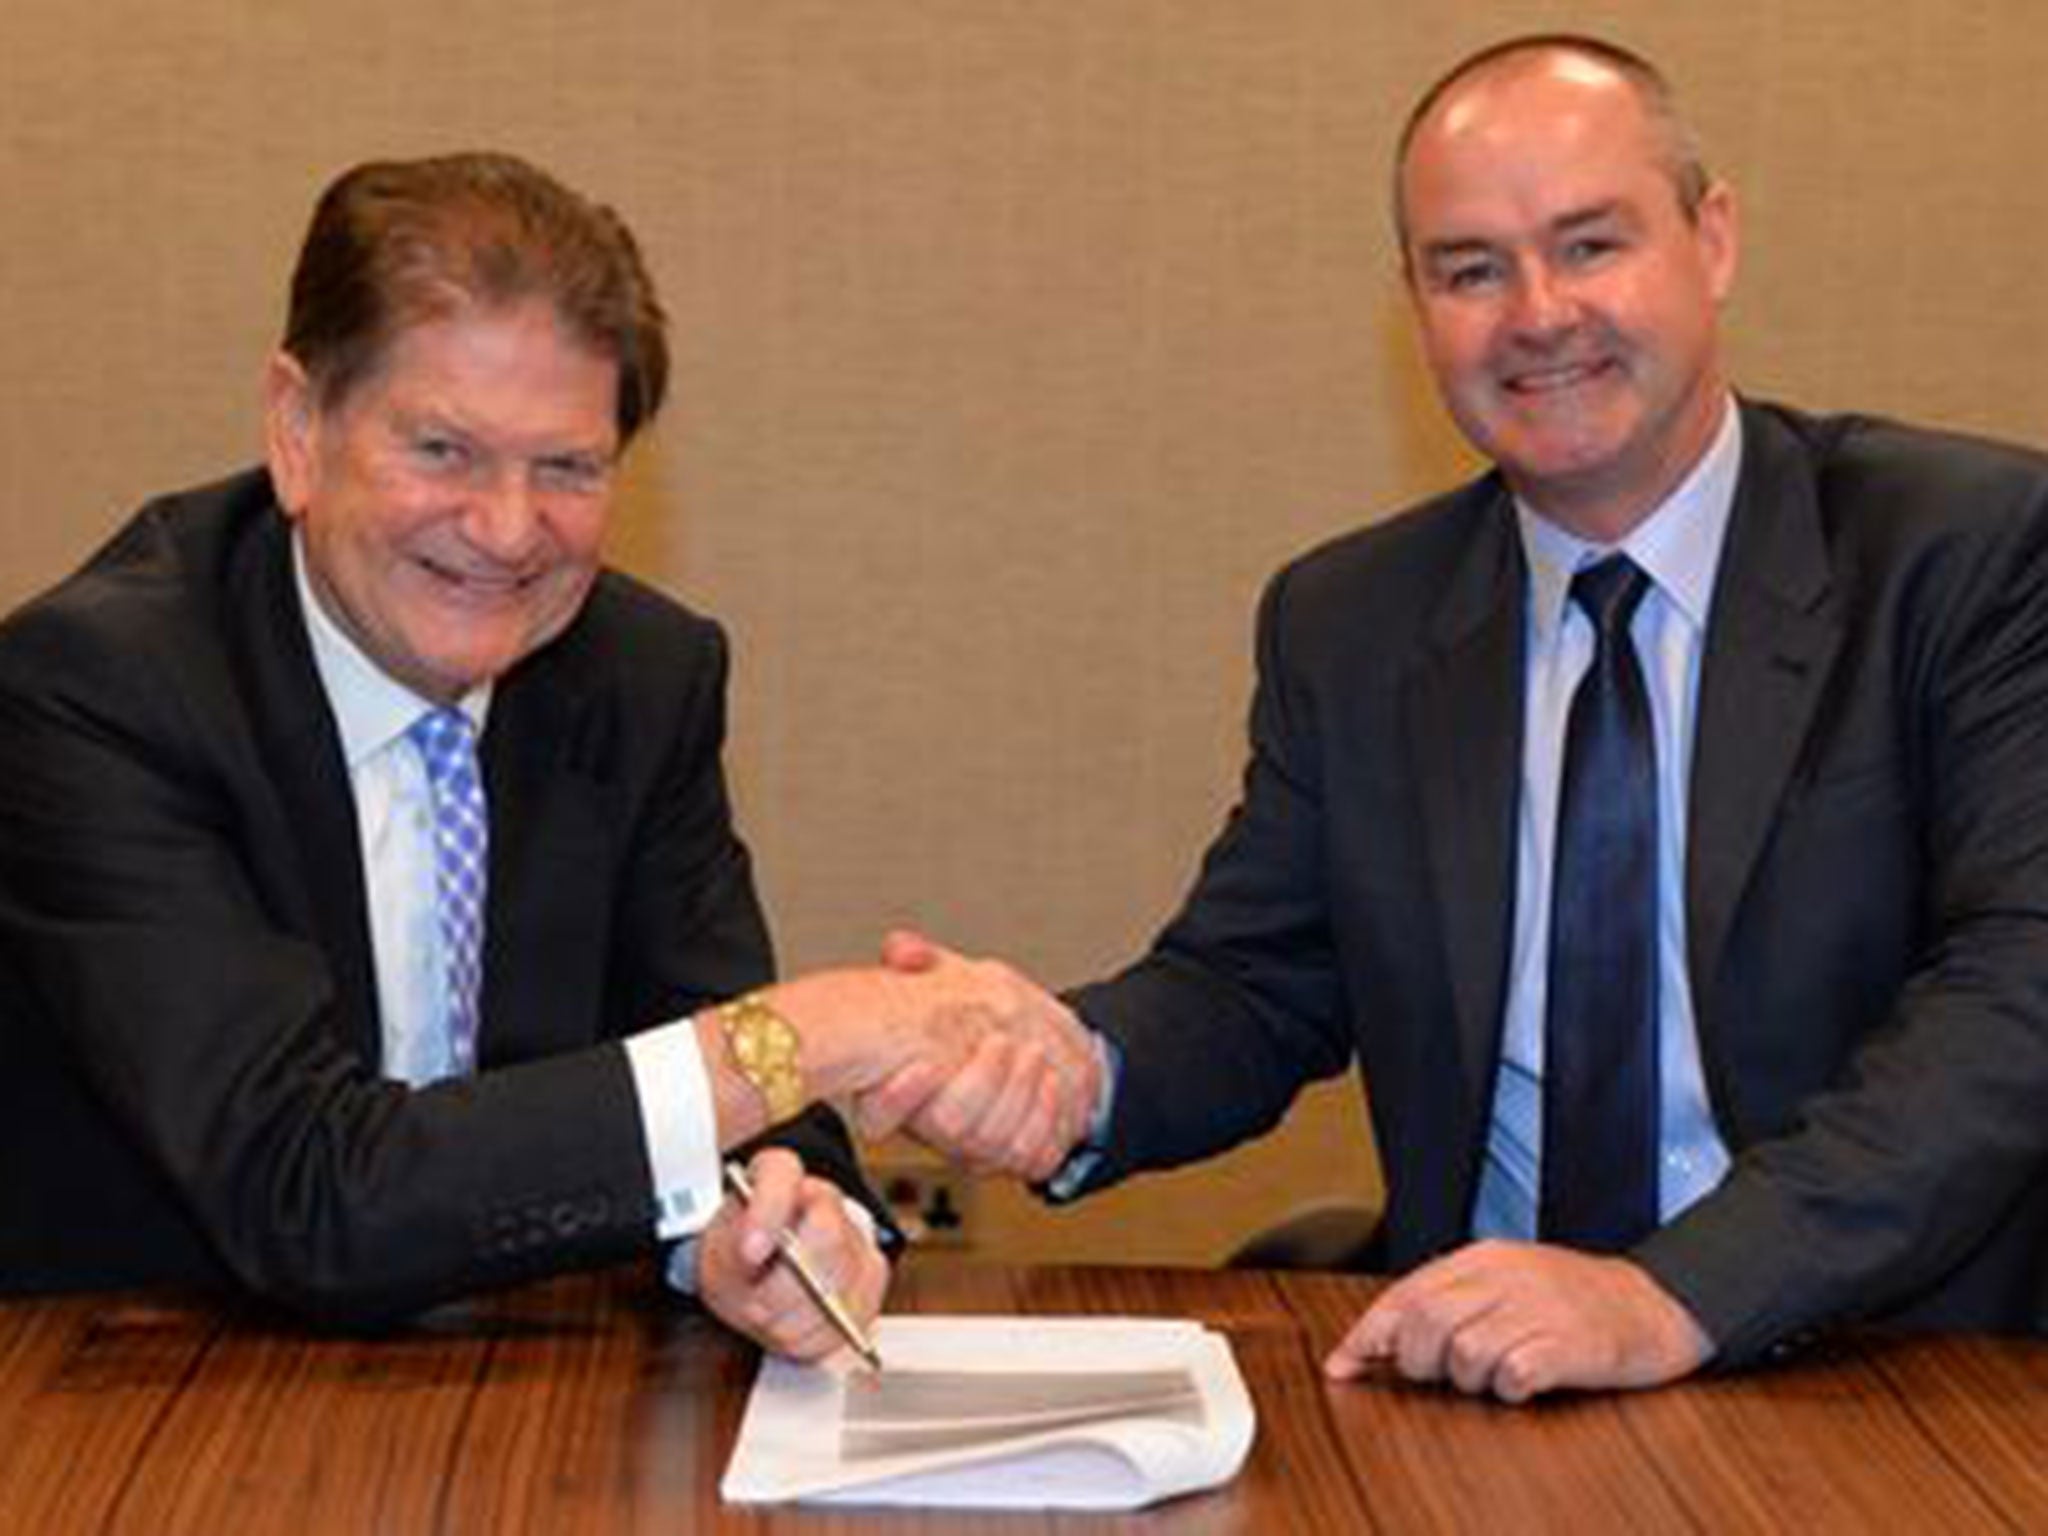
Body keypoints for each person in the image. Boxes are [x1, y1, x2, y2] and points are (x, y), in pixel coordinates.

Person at [882, 33, 2048, 1401]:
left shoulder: (1963, 551)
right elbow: (1256, 985)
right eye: (1472, 269)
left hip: (1891, 1373)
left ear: (1713, 239)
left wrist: (1670, 1294)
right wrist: (1066, 1069)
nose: (1538, 313)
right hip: (1482, 1382)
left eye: (1592, 243)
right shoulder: (1352, 621)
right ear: (1415, 305)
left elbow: (2015, 991)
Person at [0, 152, 1092, 1356]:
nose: (508, 530)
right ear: (297, 429)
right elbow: (313, 1197)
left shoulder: (638, 675)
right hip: (129, 1399)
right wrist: (827, 1030)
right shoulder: (99, 691)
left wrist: (771, 1226)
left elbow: (717, 1069)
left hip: (522, 1405)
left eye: (567, 468)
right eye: (443, 452)